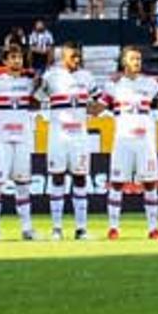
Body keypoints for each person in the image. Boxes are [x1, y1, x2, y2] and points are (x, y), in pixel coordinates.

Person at [37, 41, 102, 240]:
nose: (76, 59)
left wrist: (89, 112)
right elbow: (37, 97)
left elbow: (99, 101)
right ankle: (57, 228)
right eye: (72, 56)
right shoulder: (51, 76)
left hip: (80, 136)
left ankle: (81, 228)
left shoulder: (87, 77)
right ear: (63, 57)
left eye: (78, 56)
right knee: (57, 177)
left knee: (80, 178)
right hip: (58, 135)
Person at [104, 44, 158, 241]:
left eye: (139, 59)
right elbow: (98, 107)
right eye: (132, 59)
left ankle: (153, 228)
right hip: (123, 139)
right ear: (124, 62)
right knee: (116, 183)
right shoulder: (113, 85)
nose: (137, 62)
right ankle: (113, 228)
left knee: (149, 183)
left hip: (145, 139)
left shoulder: (150, 83)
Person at [0, 45, 40, 241]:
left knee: (23, 184)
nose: (17, 61)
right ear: (5, 61)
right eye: (13, 58)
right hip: (2, 140)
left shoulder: (29, 82)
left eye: (20, 58)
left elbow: (41, 94)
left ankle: (27, 228)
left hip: (23, 138)